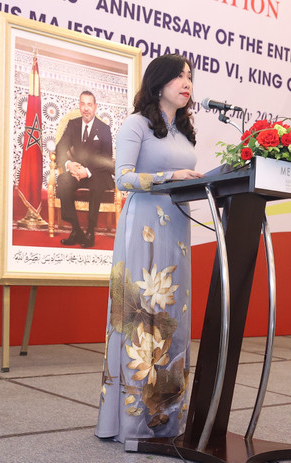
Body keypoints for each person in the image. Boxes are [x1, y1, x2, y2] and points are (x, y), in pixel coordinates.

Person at [95, 54, 203, 443]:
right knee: (141, 319)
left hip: (177, 227)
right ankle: (133, 424)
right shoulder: (137, 124)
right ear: (158, 83)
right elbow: (122, 178)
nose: (186, 83)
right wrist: (169, 176)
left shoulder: (184, 132)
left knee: (173, 318)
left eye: (189, 77)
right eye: (178, 77)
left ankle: (167, 420)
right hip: (143, 226)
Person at [55, 91, 114, 248]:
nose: (86, 108)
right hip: (77, 171)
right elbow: (60, 147)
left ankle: (90, 231)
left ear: (95, 107)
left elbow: (106, 158)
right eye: (83, 104)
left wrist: (87, 171)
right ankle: (76, 229)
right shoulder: (73, 125)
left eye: (89, 104)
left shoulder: (104, 129)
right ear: (79, 106)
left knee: (96, 185)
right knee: (63, 180)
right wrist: (69, 164)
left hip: (97, 173)